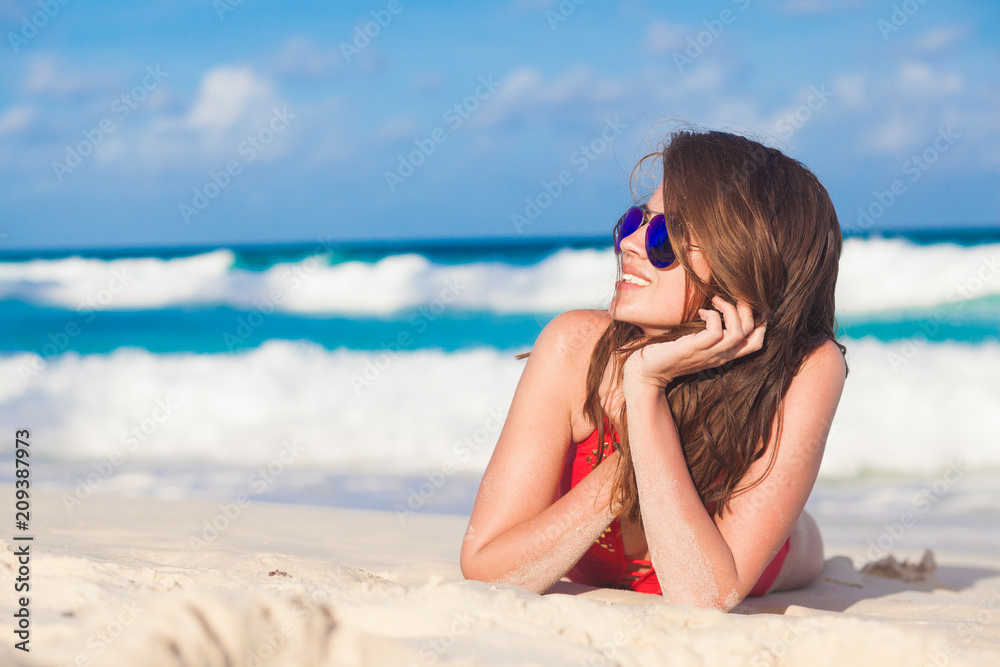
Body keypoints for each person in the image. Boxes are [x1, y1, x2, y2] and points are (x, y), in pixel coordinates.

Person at [459, 128, 848, 610]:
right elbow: (487, 570)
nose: (632, 244)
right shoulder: (574, 345)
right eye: (635, 222)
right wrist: (627, 464)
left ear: (740, 261)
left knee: (808, 542)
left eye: (666, 235)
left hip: (777, 560)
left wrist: (642, 387)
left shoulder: (807, 367)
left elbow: (704, 596)